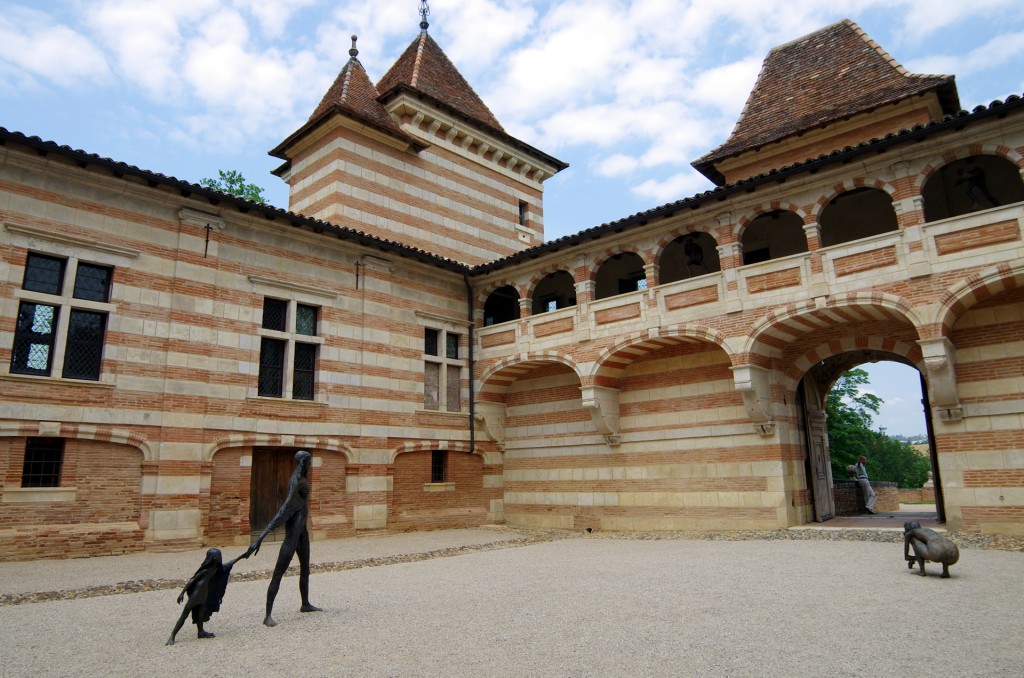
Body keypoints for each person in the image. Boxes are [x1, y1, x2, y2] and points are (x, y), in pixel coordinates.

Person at [249, 449, 322, 627]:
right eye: (309, 461)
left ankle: (305, 604)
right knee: (278, 573)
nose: (311, 464)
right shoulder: (296, 482)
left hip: (302, 532)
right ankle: (268, 615)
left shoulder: (302, 479)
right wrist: (259, 539)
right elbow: (283, 512)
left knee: (305, 569)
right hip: (293, 533)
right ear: (303, 462)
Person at [166, 546, 252, 645]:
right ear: (214, 557)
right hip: (196, 594)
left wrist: (241, 556)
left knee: (201, 614)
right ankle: (172, 636)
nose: (221, 557)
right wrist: (182, 593)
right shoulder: (206, 569)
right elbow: (192, 580)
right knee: (184, 615)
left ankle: (200, 632)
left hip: (204, 594)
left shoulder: (216, 568)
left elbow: (228, 564)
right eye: (219, 555)